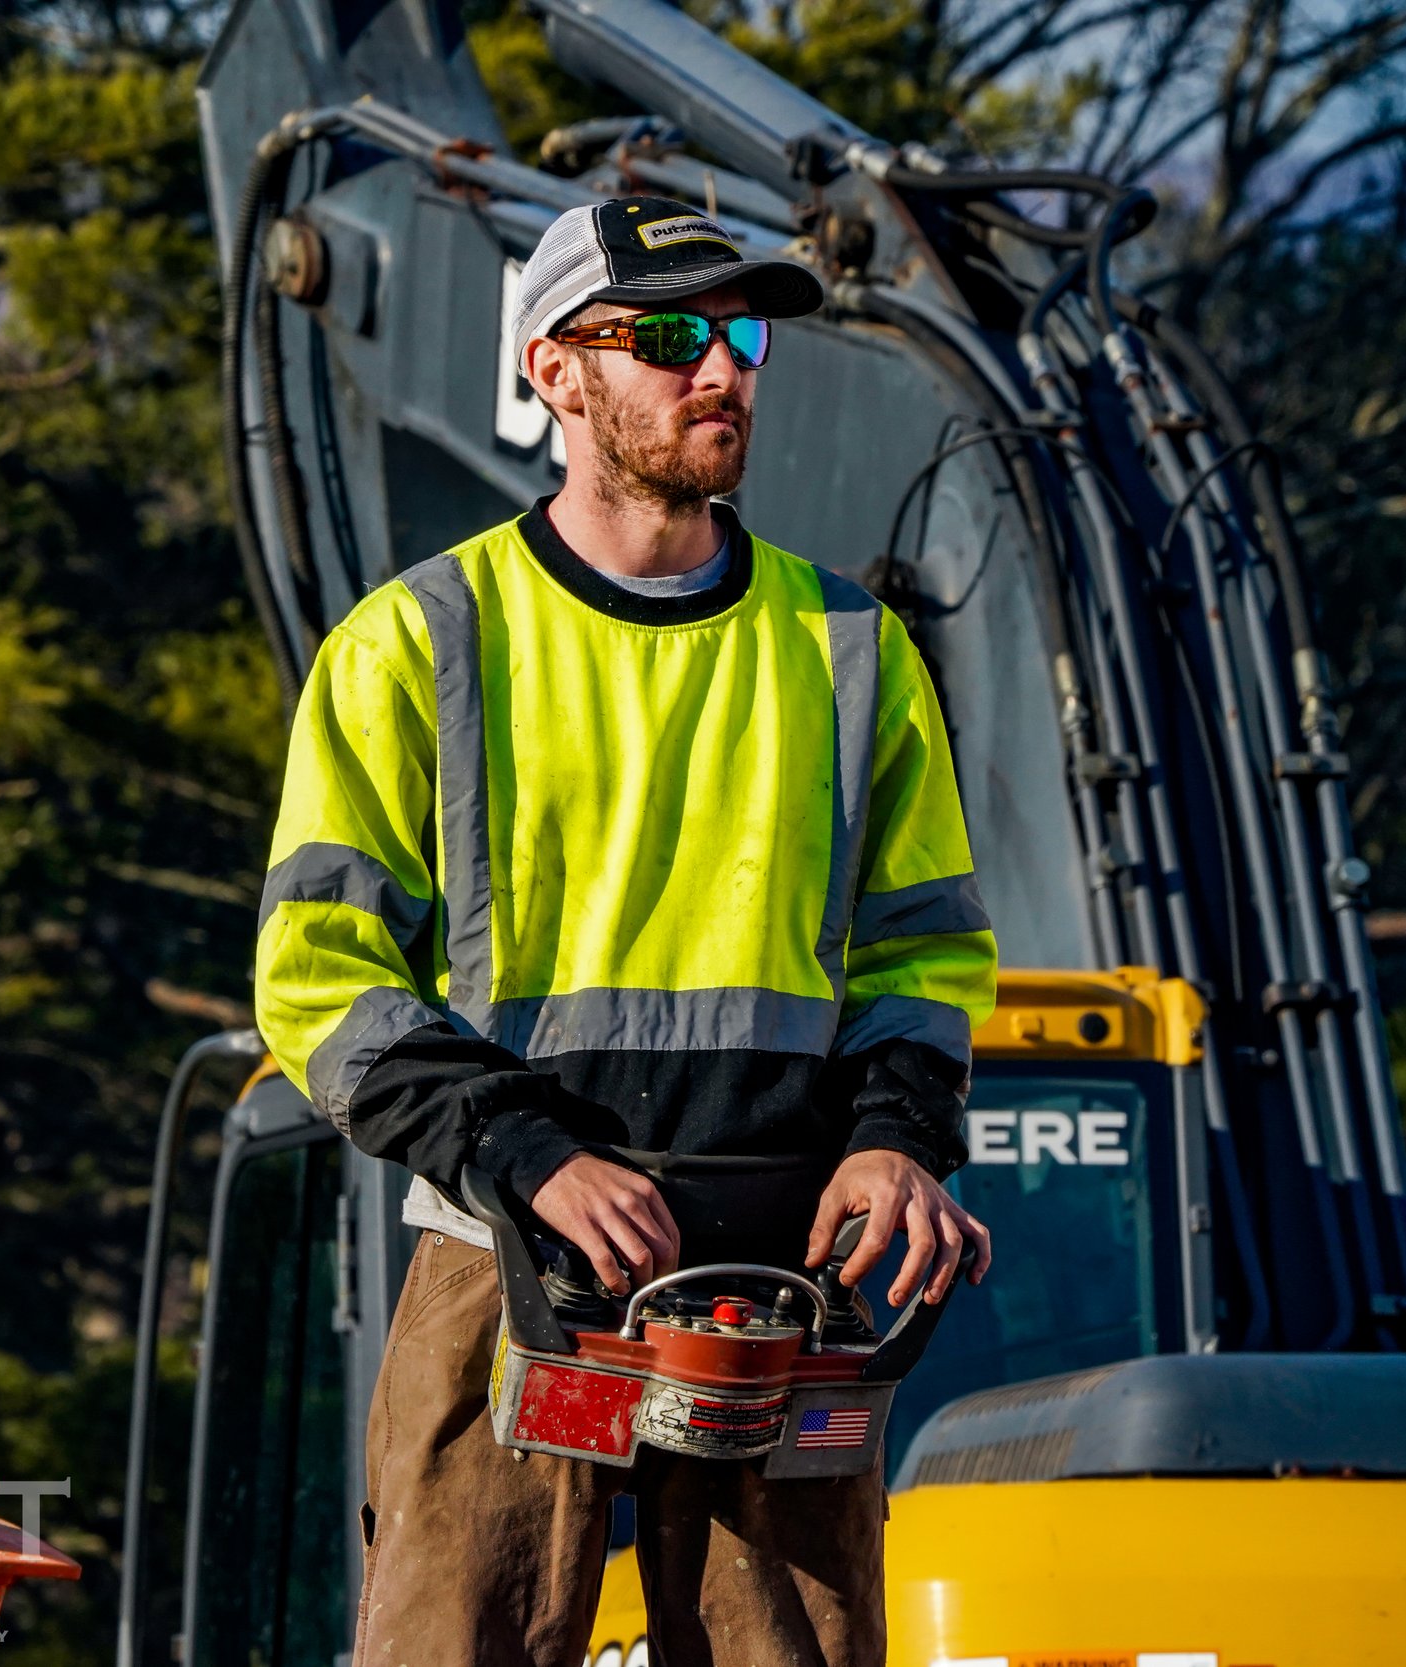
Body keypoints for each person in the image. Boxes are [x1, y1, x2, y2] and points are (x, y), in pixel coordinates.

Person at [254, 196, 998, 1667]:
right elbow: (318, 979)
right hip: (514, 1270)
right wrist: (531, 1151)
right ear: (553, 370)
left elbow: (924, 958)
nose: (719, 370)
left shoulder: (852, 653)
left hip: (783, 1290)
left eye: (740, 333)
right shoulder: (419, 641)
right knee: (455, 1644)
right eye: (665, 335)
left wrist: (899, 1137)